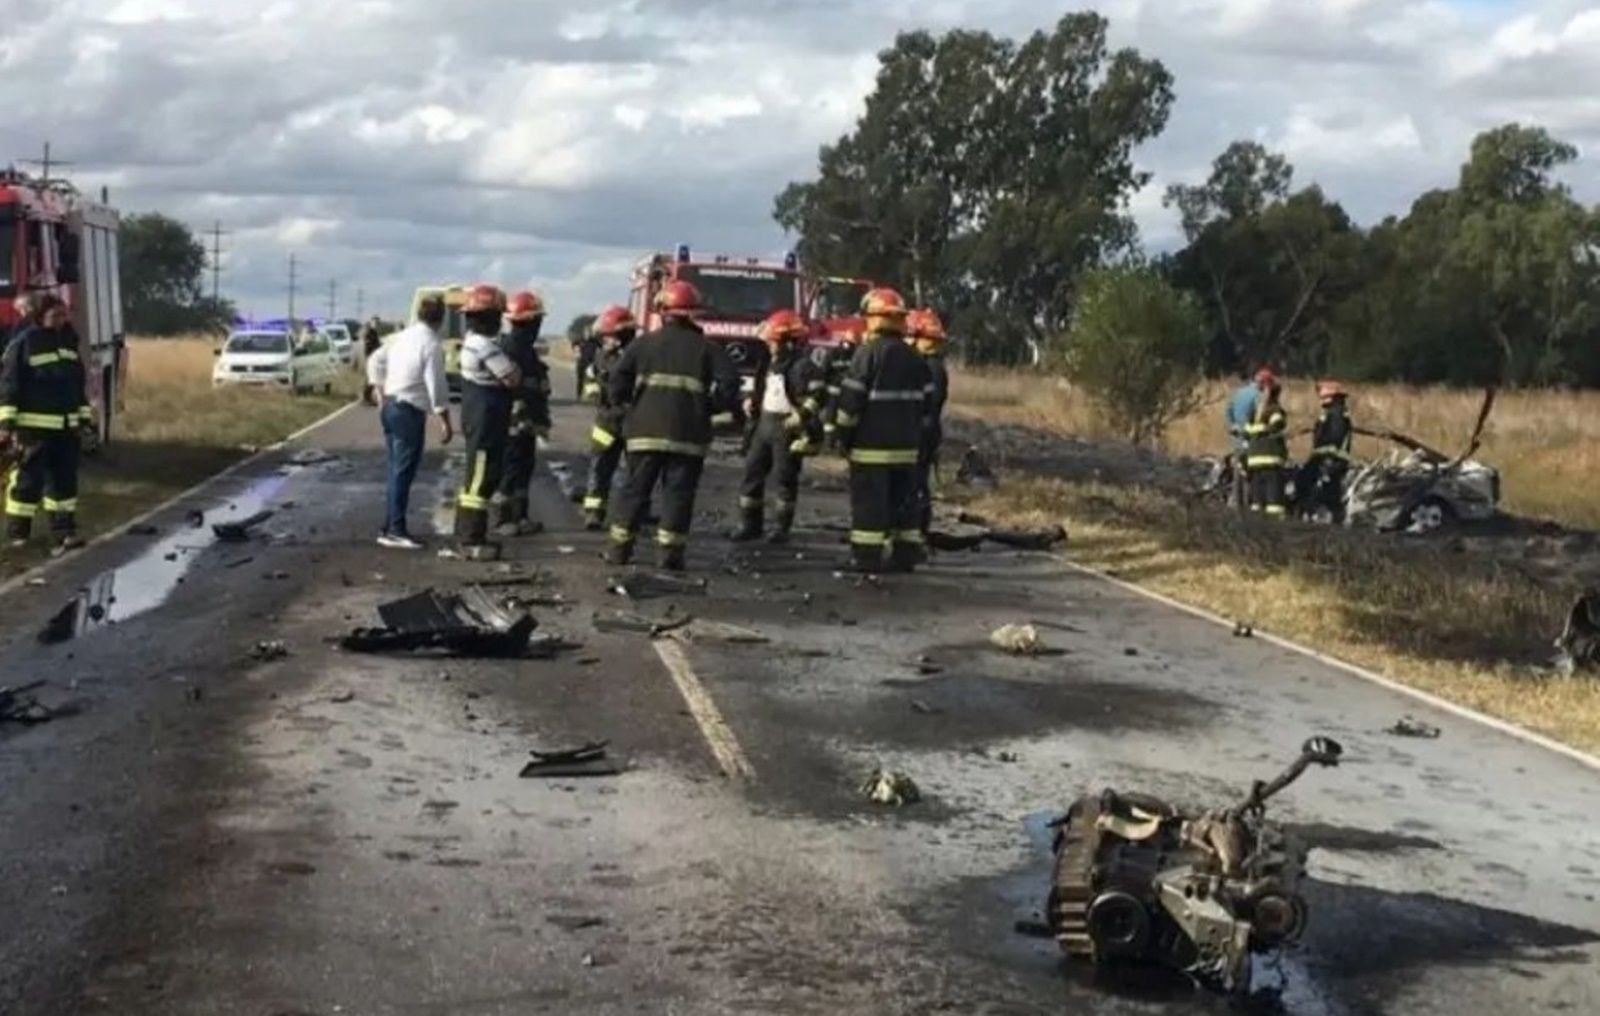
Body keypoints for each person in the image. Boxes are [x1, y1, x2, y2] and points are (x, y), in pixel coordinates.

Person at [603, 280, 739, 571]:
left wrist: (629, 408)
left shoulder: (642, 344)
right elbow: (730, 385)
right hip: (688, 435)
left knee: (635, 491)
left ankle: (619, 551)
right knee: (678, 495)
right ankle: (669, 556)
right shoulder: (707, 348)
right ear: (693, 312)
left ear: (663, 311)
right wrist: (709, 407)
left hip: (643, 432)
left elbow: (616, 383)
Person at [832, 287, 935, 574]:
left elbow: (850, 403)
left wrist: (842, 436)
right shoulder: (916, 358)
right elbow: (928, 407)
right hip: (907, 450)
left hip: (870, 450)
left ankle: (865, 559)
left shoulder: (867, 354)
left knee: (870, 507)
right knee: (904, 506)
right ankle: (905, 557)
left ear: (874, 319)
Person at [0, 294, 92, 552]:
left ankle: (64, 533)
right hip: (33, 430)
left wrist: (84, 419)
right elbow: (10, 385)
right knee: (28, 482)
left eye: (64, 315)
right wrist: (6, 423)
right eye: (55, 316)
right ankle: (19, 536)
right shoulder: (24, 343)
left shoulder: (69, 344)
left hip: (66, 429)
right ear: (41, 317)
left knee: (64, 483)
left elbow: (77, 387)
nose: (61, 320)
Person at [730, 308, 827, 544]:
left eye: (773, 342)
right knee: (752, 472)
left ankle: (781, 528)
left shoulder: (802, 367)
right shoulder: (767, 362)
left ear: (788, 342)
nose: (770, 346)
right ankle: (749, 524)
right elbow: (760, 389)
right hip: (764, 424)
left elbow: (819, 395)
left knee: (785, 477)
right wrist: (751, 402)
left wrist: (802, 416)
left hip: (786, 426)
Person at [365, 294, 453, 549]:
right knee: (403, 471)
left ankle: (389, 525)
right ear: (441, 319)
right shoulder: (431, 344)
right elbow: (436, 384)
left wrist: (379, 388)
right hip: (409, 410)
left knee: (395, 469)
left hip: (391, 406)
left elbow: (375, 359)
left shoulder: (401, 337)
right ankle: (396, 529)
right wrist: (444, 419)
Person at [454, 284, 522, 551]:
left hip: (482, 419)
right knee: (480, 479)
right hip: (486, 422)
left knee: (477, 477)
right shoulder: (484, 346)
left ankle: (468, 533)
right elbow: (512, 377)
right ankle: (471, 538)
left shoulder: (473, 342)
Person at [494, 290, 552, 537]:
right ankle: (503, 519)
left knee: (523, 471)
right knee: (509, 472)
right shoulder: (510, 348)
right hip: (512, 423)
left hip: (526, 423)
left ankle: (520, 517)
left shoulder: (526, 349)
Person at [581, 305, 638, 531]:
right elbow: (589, 377)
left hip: (633, 421)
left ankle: (633, 514)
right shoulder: (600, 356)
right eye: (605, 336)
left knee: (636, 472)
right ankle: (594, 512)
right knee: (599, 467)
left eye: (610, 336)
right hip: (606, 422)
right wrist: (594, 393)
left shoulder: (639, 356)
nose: (606, 340)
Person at [906, 308, 949, 535]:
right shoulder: (934, 366)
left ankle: (918, 530)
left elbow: (929, 405)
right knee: (917, 482)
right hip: (927, 433)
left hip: (922, 434)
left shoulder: (930, 368)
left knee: (916, 484)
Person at [1299, 380, 1354, 522]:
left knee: (1323, 490)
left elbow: (1334, 438)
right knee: (1325, 490)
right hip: (1327, 458)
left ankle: (1328, 518)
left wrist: (1326, 458)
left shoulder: (1336, 414)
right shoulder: (1333, 412)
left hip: (1331, 460)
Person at [1226, 368, 1273, 507]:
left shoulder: (1239, 393)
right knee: (1250, 474)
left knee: (1238, 471)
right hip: (1250, 440)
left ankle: (1235, 502)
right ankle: (1246, 505)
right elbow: (1260, 417)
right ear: (1264, 383)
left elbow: (1228, 409)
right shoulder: (1258, 396)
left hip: (1237, 439)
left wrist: (1233, 424)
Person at [1244, 381, 1289, 517]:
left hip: (1254, 461)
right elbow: (1278, 424)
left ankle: (1257, 523)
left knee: (1258, 501)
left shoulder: (1254, 414)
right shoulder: (1274, 410)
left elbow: (1246, 432)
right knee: (1273, 503)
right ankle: (1273, 525)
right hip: (1271, 461)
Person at [820, 323, 864, 449]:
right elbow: (824, 373)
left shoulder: (858, 355)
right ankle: (830, 444)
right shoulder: (833, 354)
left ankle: (841, 444)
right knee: (831, 419)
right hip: (835, 393)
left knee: (845, 419)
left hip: (847, 394)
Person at [573, 322, 602, 402]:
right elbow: (574, 346)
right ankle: (578, 396)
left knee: (592, 379)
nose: (588, 334)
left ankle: (593, 396)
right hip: (581, 362)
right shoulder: (579, 340)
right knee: (580, 379)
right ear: (584, 333)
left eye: (590, 332)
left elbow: (601, 347)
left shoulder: (595, 341)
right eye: (587, 332)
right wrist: (576, 351)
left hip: (590, 363)